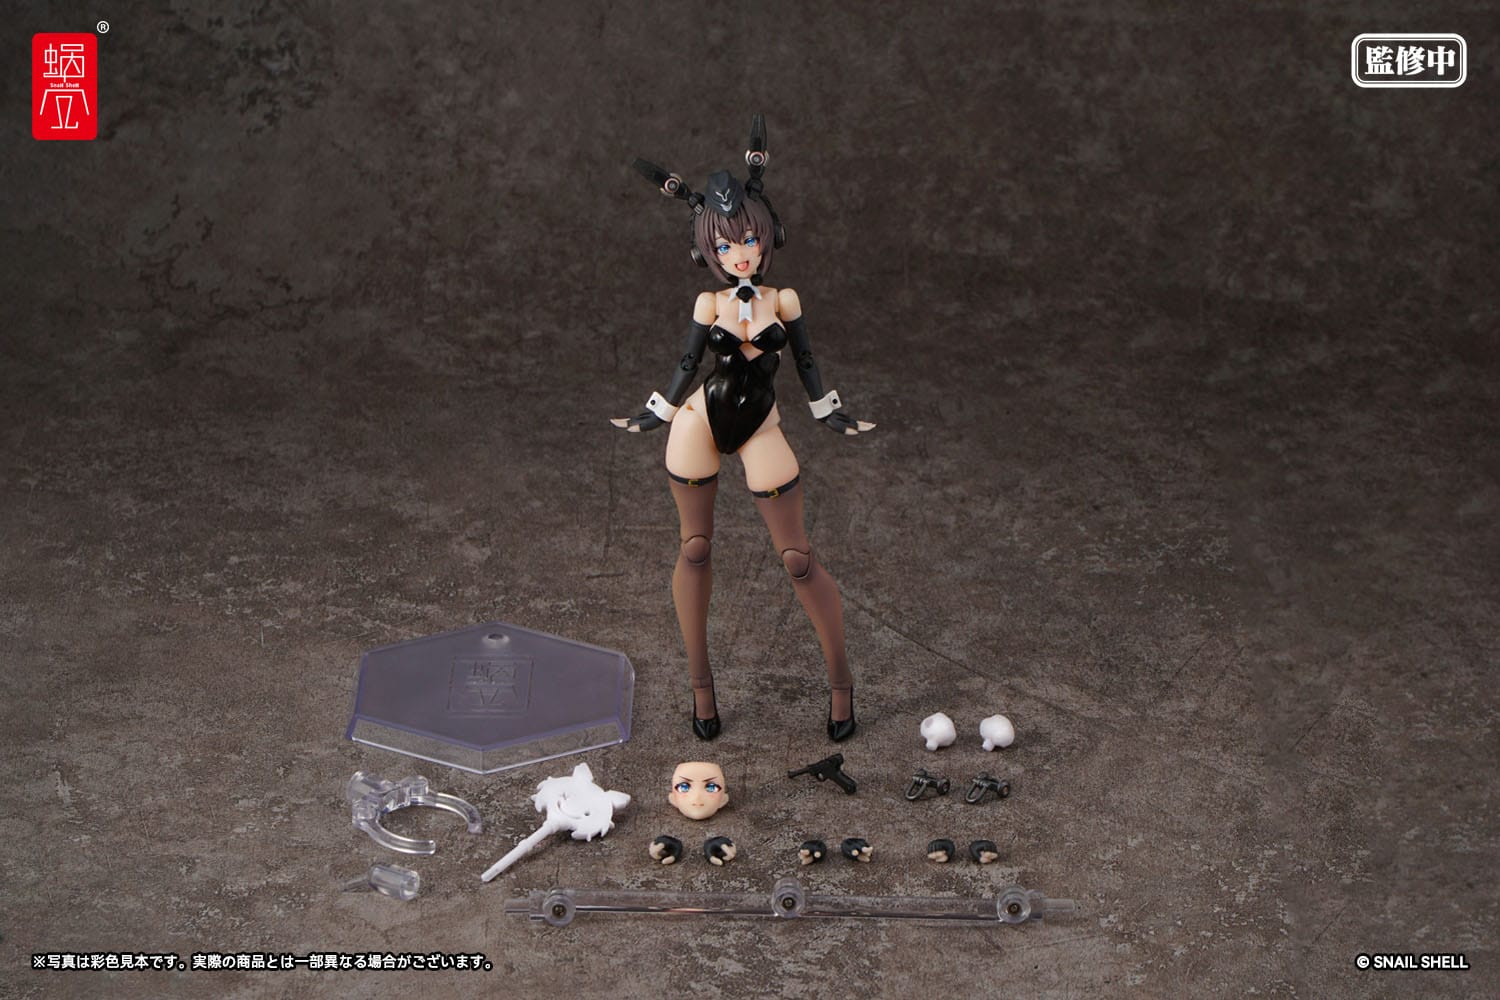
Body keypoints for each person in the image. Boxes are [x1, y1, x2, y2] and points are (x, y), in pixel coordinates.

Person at [613, 116, 873, 742]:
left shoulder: (784, 300)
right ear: (708, 251)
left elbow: (805, 361)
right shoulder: (710, 304)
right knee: (694, 548)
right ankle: (701, 689)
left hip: (760, 423)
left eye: (749, 239)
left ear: (767, 236)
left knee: (797, 557)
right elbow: (686, 365)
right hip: (700, 420)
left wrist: (827, 409)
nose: (741, 254)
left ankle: (842, 687)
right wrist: (658, 409)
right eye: (726, 246)